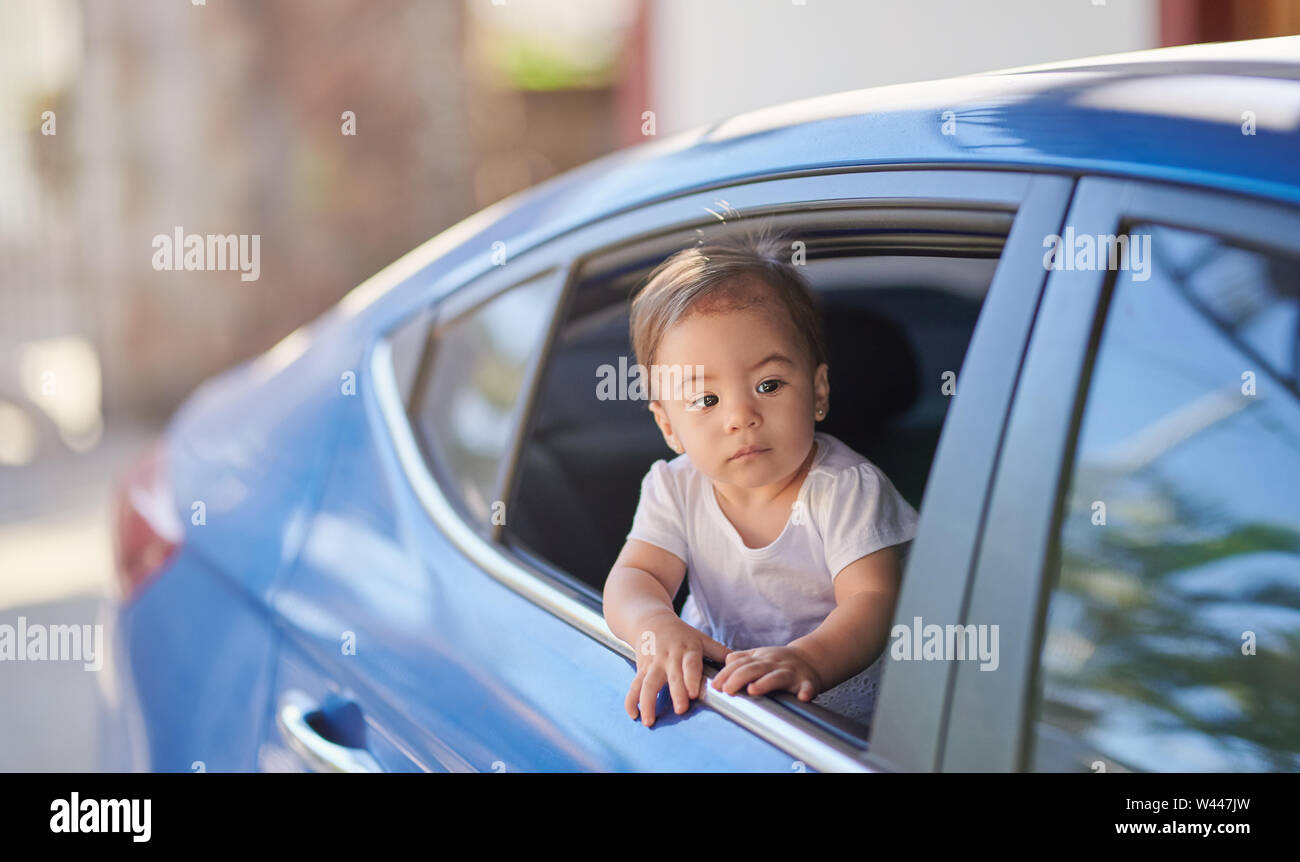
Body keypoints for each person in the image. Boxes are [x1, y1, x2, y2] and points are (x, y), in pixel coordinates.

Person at [602, 226, 919, 728]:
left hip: (837, 718)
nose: (740, 416)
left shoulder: (846, 487)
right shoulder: (673, 487)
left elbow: (872, 599)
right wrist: (654, 624)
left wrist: (808, 659)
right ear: (668, 425)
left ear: (817, 390)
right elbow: (634, 576)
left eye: (768, 384)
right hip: (722, 701)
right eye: (706, 400)